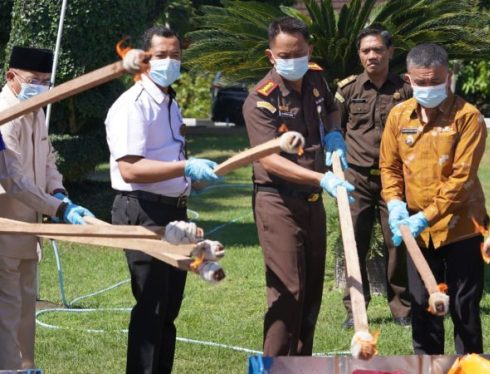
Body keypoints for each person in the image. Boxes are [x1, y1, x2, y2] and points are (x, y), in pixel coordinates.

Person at [104, 26, 219, 373]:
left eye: (176, 55)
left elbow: (167, 157)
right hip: (142, 209)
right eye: (162, 55)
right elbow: (130, 169)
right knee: (151, 308)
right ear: (143, 60)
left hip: (173, 213)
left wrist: (191, 180)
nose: (170, 61)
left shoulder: (170, 100)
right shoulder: (133, 104)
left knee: (168, 309)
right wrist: (185, 166)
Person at [242, 16, 353, 356]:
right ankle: (275, 365)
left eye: (299, 53)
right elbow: (271, 161)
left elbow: (333, 109)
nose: (293, 60)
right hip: (277, 203)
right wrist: (323, 178)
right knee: (288, 290)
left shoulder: (316, 77)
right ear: (270, 55)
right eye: (284, 55)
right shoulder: (260, 100)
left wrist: (334, 132)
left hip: (312, 201)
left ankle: (301, 365)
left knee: (311, 294)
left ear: (309, 50)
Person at [380, 43, 488, 355]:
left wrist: (425, 216)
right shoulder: (399, 116)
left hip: (462, 228)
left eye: (435, 81)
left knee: (463, 309)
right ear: (408, 79)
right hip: (416, 235)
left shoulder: (468, 117)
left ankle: (468, 365)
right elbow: (389, 165)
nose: (428, 88)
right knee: (423, 309)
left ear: (449, 76)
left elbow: (462, 180)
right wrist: (395, 202)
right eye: (421, 82)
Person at [0, 46, 94, 370]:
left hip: (30, 228)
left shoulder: (35, 109)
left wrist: (59, 193)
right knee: (6, 311)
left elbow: (48, 157)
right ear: (11, 76)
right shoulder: (4, 115)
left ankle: (27, 367)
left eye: (45, 81)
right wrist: (58, 209)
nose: (40, 87)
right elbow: (13, 180)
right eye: (32, 80)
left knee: (27, 307)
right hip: (6, 226)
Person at [335, 25, 412, 329]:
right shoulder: (348, 90)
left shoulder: (405, 90)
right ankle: (355, 309)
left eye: (378, 49)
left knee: (398, 241)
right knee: (354, 242)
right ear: (359, 54)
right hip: (357, 178)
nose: (372, 56)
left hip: (395, 180)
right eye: (366, 50)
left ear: (390, 53)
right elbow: (336, 130)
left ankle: (401, 307)